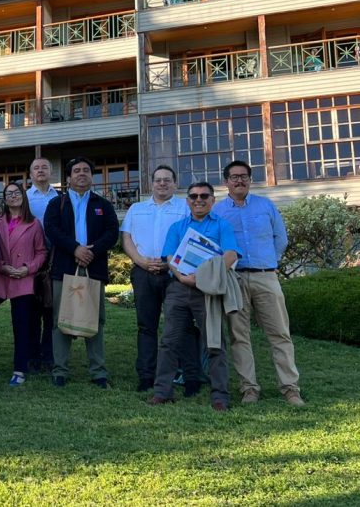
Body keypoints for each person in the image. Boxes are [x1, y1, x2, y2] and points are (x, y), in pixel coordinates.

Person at [213, 160, 304, 406]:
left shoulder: (266, 205)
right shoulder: (218, 212)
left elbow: (280, 237)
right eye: (234, 177)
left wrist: (270, 261)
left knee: (280, 334)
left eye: (244, 176)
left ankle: (290, 389)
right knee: (239, 336)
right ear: (226, 182)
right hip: (235, 279)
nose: (239, 180)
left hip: (266, 276)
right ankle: (249, 389)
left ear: (250, 180)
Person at [150, 182, 241, 411]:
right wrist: (182, 278)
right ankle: (162, 392)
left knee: (214, 342)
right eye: (193, 196)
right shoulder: (177, 227)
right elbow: (170, 257)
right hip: (179, 289)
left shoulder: (223, 226)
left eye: (204, 196)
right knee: (169, 342)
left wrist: (206, 278)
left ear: (212, 199)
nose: (198, 200)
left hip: (208, 291)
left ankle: (220, 396)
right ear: (187, 200)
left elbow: (230, 255)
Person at [44, 157, 119, 388]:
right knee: (61, 320)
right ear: (68, 177)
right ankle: (60, 371)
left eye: (86, 170)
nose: (81, 174)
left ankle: (98, 372)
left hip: (93, 268)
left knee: (95, 319)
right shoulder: (57, 204)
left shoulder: (102, 204)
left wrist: (90, 252)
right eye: (76, 171)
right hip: (64, 269)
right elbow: (51, 229)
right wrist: (75, 248)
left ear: (91, 176)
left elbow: (112, 232)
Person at [121, 165, 192, 392]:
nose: (162, 183)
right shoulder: (137, 208)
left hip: (174, 274)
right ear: (151, 184)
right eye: (158, 180)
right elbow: (127, 238)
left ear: (174, 183)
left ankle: (182, 372)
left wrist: (172, 263)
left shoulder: (185, 207)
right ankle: (146, 375)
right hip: (143, 272)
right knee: (146, 326)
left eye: (167, 180)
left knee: (179, 324)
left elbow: (190, 240)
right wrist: (140, 261)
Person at [0, 181, 47, 387]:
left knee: (21, 325)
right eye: (8, 193)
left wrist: (28, 268)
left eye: (16, 192)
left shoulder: (34, 224)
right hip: (1, 276)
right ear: (4, 199)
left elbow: (42, 252)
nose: (13, 196)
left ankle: (20, 369)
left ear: (23, 196)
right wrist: (1, 266)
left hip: (24, 278)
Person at [26, 157, 59, 373]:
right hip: (29, 260)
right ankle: (31, 357)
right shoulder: (24, 198)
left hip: (55, 259)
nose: (40, 171)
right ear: (30, 174)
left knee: (51, 310)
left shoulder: (61, 198)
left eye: (44, 167)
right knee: (31, 311)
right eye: (36, 168)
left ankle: (49, 356)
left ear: (50, 172)